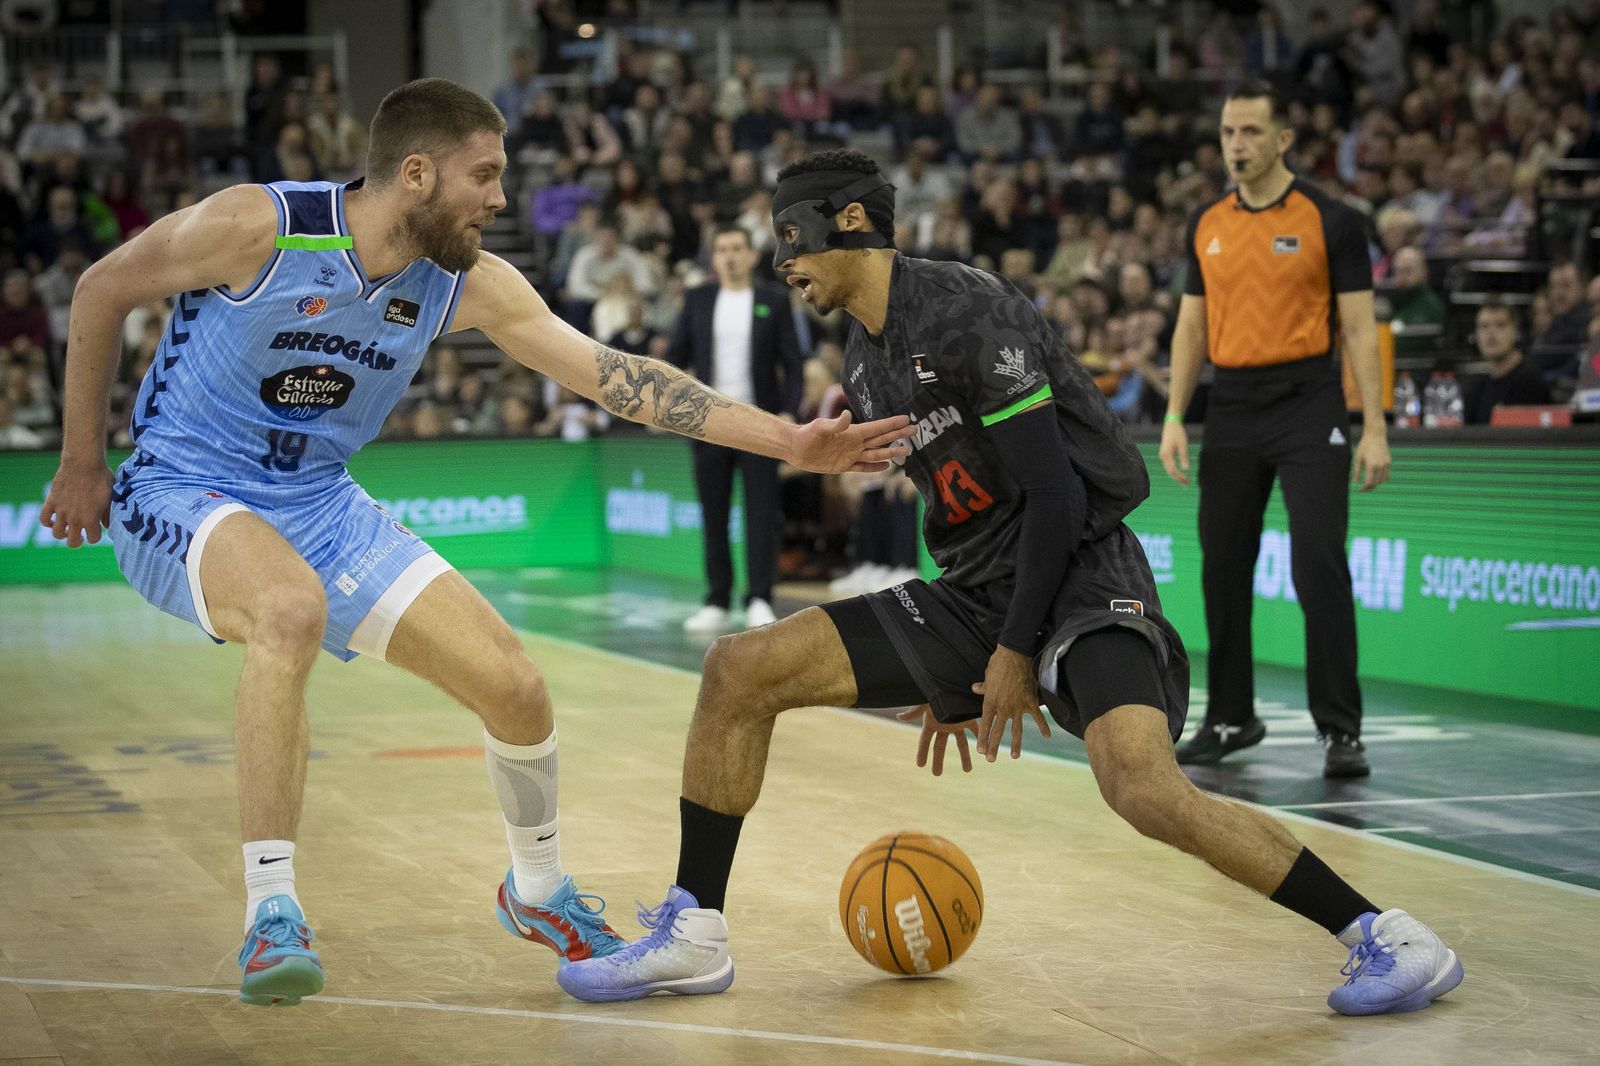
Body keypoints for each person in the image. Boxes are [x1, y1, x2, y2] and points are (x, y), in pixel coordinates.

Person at [39, 80, 914, 1010]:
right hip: (181, 484)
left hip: (317, 501)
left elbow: (618, 379)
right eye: (484, 176)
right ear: (414, 174)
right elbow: (102, 289)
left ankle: (536, 891)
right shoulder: (261, 228)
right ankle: (272, 913)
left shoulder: (465, 282)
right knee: (288, 612)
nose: (502, 198)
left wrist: (791, 441)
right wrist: (81, 462)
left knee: (517, 689)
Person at [557, 148, 1462, 1018]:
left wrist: (1013, 650)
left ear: (853, 220)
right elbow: (964, 512)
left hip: (1078, 567)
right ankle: (696, 929)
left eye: (791, 237)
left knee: (1140, 786)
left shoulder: (967, 308)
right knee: (735, 670)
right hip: (977, 587)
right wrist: (947, 663)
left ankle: (1387, 933)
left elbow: (1055, 494)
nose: (781, 261)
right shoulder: (866, 367)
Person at [1159, 82, 1390, 779]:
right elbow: (1191, 326)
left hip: (1309, 401)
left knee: (1317, 562)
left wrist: (1373, 426)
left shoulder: (1333, 218)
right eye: (1229, 132)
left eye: (1252, 132)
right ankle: (1231, 715)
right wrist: (1174, 414)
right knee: (1222, 565)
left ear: (1284, 139)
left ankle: (1340, 730)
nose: (1237, 145)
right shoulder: (1205, 222)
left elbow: (1358, 327)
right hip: (1230, 405)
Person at [668, 224, 802, 631]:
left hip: (760, 422)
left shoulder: (774, 301)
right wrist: (675, 409)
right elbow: (674, 358)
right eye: (721, 249)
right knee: (714, 513)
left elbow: (793, 363)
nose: (729, 255)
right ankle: (717, 599)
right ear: (714, 257)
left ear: (751, 255)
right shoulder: (698, 299)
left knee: (762, 512)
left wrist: (791, 411)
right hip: (709, 424)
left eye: (736, 248)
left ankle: (760, 596)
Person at [1464, 299, 1551, 424]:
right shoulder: (1477, 389)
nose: (1491, 332)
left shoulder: (1529, 382)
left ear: (1516, 332)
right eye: (1484, 326)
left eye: (1500, 325)